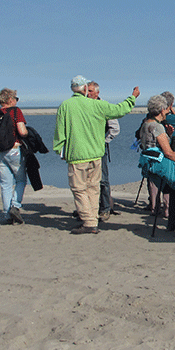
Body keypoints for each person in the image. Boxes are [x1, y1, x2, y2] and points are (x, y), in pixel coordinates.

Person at [53, 76, 139, 234]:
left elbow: (60, 133)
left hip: (78, 156)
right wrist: (132, 98)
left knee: (80, 189)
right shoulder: (96, 105)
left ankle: (89, 221)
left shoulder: (66, 106)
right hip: (95, 155)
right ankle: (92, 220)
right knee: (93, 188)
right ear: (85, 88)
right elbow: (120, 110)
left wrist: (60, 150)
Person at [140, 95, 175, 237]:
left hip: (150, 163)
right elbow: (168, 151)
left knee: (174, 189)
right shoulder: (156, 126)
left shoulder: (146, 123)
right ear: (162, 109)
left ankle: (172, 224)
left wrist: (169, 135)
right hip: (160, 164)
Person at [0, 88, 29, 224]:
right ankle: (15, 206)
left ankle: (7, 215)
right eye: (16, 98)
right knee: (21, 180)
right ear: (11, 100)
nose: (17, 101)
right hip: (14, 150)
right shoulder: (16, 111)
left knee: (5, 184)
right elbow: (22, 131)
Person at [87, 81, 121, 222]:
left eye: (90, 91)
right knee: (86, 180)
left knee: (103, 180)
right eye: (86, 91)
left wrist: (103, 141)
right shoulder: (83, 106)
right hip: (85, 149)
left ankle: (105, 208)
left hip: (100, 149)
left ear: (97, 92)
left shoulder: (104, 106)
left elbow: (115, 129)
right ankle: (88, 209)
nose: (87, 94)